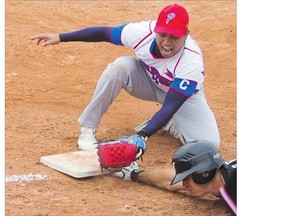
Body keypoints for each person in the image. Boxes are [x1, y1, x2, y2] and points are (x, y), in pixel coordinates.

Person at [31, 4, 220, 151]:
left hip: (182, 98)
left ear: (186, 35)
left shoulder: (191, 61)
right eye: (162, 35)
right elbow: (103, 33)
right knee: (120, 67)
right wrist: (61, 37)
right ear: (156, 30)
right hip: (147, 81)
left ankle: (171, 123)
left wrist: (143, 135)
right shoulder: (140, 33)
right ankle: (88, 127)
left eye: (174, 37)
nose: (167, 42)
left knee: (208, 145)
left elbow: (171, 104)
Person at [112, 140, 237, 215]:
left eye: (187, 178)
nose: (184, 184)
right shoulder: (217, 178)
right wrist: (134, 173)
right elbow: (168, 181)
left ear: (204, 173)